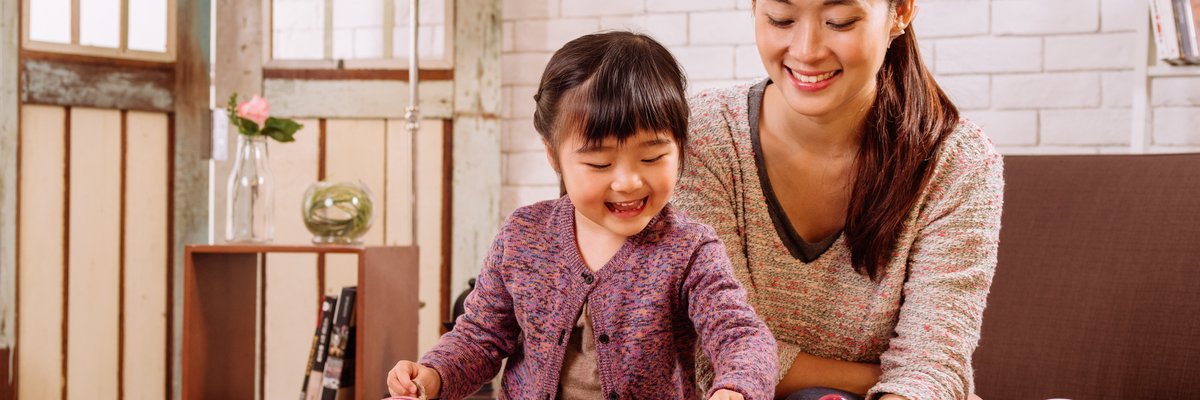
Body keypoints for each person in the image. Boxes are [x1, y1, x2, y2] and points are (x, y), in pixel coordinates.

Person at [386, 31, 779, 400]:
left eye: (652, 157)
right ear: (554, 155)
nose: (627, 182)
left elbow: (741, 335)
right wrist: (433, 375)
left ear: (679, 148)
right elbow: (480, 338)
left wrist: (737, 387)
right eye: (599, 163)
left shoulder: (690, 249)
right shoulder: (524, 236)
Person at [674, 1, 1003, 400]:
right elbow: (713, 353)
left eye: (839, 22)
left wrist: (906, 381)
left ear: (900, 11)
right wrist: (881, 377)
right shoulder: (700, 138)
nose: (807, 50)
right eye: (782, 19)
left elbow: (932, 366)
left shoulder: (957, 160)